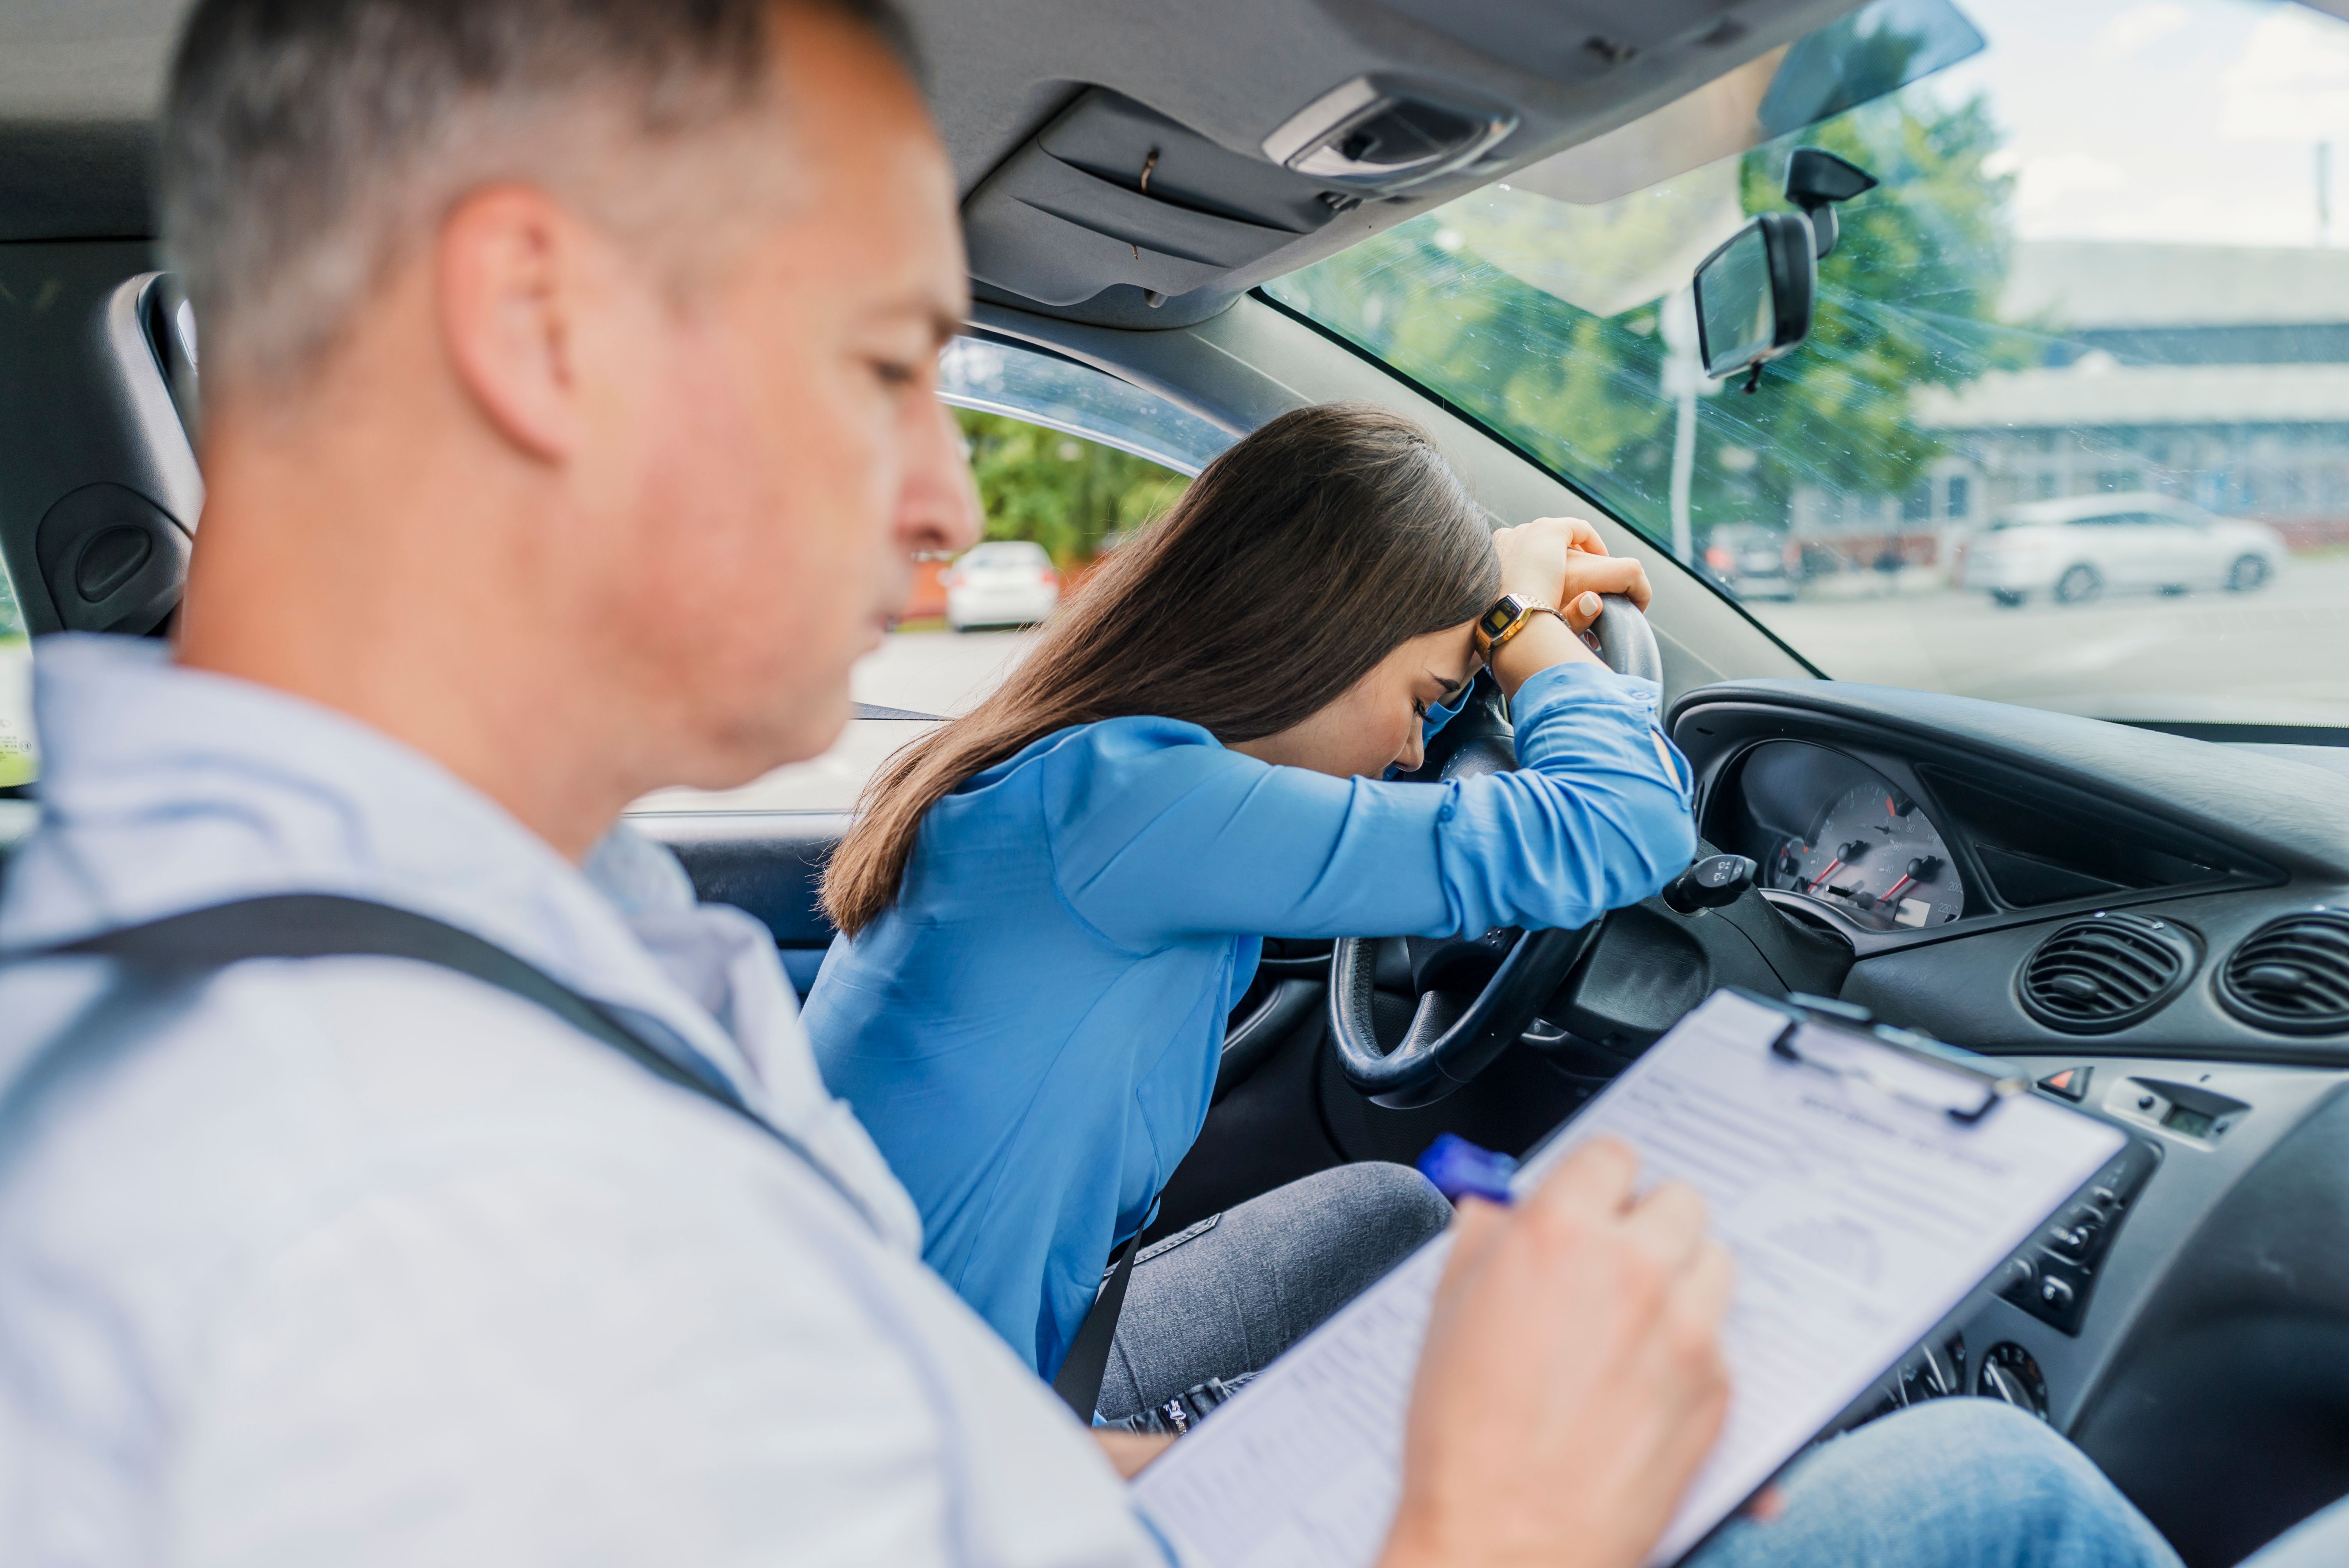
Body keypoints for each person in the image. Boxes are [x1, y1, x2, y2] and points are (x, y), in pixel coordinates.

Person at [0, 0, 2283, 1563]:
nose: (936, 502)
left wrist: (1134, 1477)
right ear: (539, 326)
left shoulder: (509, 956)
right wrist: (1489, 1519)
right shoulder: (369, 1189)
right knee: (1975, 1478)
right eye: (893, 363)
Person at [807, 401, 1693, 1417]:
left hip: (1008, 1353)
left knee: (1391, 1215)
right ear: (1322, 641)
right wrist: (1518, 628)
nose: (1415, 748)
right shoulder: (1137, 806)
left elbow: (1384, 742)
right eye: (1419, 698)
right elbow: (1626, 823)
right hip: (934, 1449)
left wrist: (1465, 640)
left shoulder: (1090, 770)